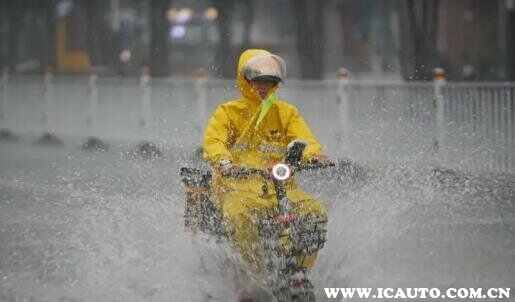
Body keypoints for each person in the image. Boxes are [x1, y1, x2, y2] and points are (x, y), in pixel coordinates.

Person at [202, 49, 329, 280]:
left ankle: (298, 272)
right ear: (245, 80)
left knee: (315, 213)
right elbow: (214, 141)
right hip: (237, 189)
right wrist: (224, 161)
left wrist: (314, 155)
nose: (263, 87)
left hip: (283, 189)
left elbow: (305, 140)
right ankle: (255, 275)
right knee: (240, 217)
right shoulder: (227, 112)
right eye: (257, 82)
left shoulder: (286, 113)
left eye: (269, 82)